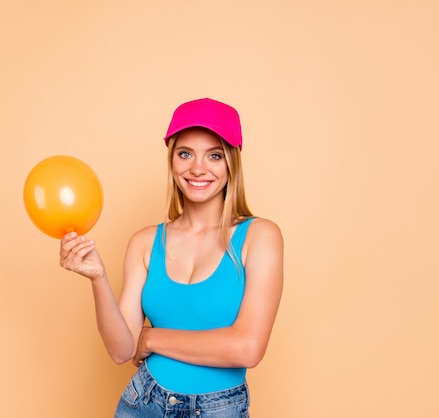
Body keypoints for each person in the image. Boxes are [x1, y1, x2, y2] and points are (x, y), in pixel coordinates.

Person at [59, 98, 284, 417]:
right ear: (172, 160)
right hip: (144, 402)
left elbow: (247, 348)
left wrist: (152, 338)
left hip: (219, 409)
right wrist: (98, 278)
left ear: (232, 162)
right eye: (185, 153)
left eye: (215, 155)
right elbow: (122, 350)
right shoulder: (145, 242)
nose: (198, 168)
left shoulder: (260, 236)